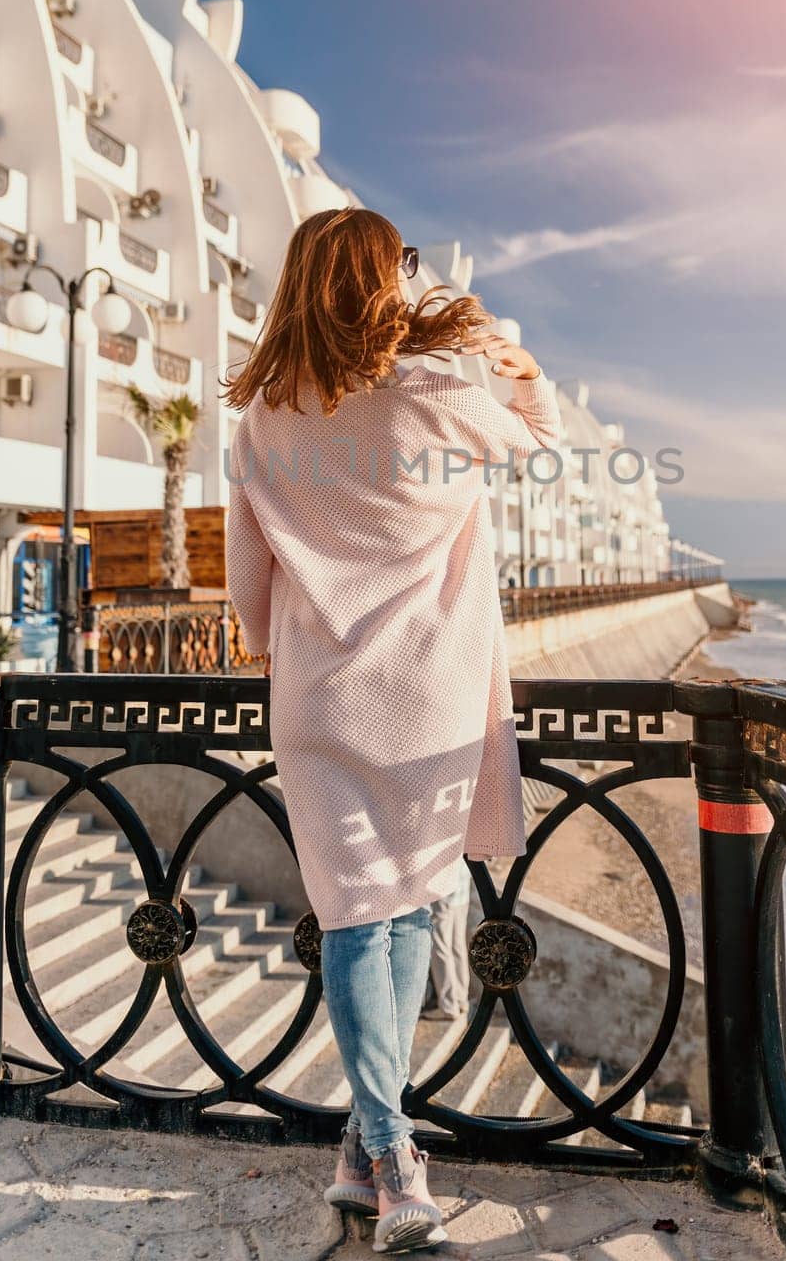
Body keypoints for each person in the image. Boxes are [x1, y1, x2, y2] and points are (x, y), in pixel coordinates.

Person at [224, 208, 559, 1254]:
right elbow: (538, 431)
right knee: (395, 908)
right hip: (432, 691)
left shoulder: (261, 421)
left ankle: (363, 1149)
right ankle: (391, 1154)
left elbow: (246, 588)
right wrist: (517, 358)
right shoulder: (440, 396)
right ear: (382, 278)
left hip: (319, 692)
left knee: (365, 908)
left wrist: (270, 639)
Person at [422, 858, 472, 1021]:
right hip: (463, 884)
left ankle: (448, 1006)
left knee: (440, 946)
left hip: (444, 887)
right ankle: (461, 1000)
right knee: (457, 945)